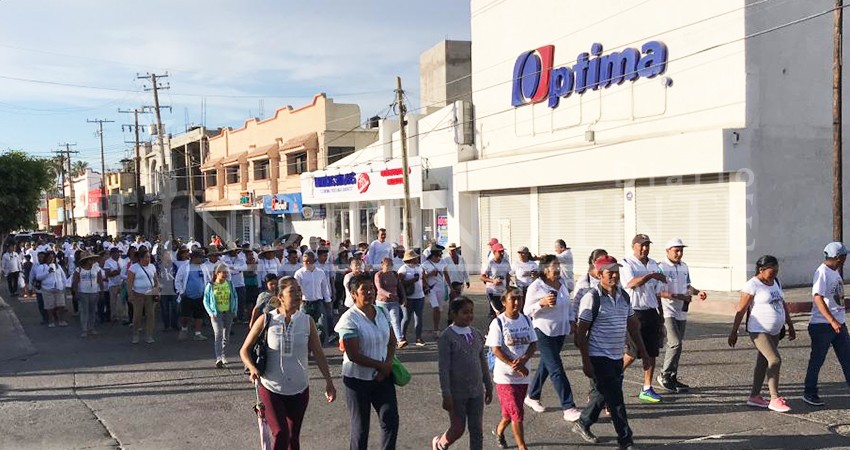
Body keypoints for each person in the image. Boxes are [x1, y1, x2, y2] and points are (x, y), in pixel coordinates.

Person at [240, 276, 337, 450]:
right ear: (280, 297)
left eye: (299, 290)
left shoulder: (307, 322)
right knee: (280, 433)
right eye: (292, 291)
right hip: (270, 387)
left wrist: (329, 382)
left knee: (293, 438)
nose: (298, 294)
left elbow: (319, 354)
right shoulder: (266, 320)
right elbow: (244, 350)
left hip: (299, 389)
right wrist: (253, 368)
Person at [572, 255, 648, 449]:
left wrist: (643, 352)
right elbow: (581, 332)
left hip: (616, 355)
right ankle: (625, 439)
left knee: (601, 394)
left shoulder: (623, 296)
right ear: (600, 274)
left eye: (616, 271)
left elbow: (633, 326)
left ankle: (583, 422)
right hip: (599, 356)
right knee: (616, 400)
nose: (614, 275)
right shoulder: (592, 297)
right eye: (610, 272)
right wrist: (586, 361)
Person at [334, 274, 399, 450]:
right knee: (361, 428)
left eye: (372, 288)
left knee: (390, 420)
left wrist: (387, 364)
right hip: (357, 381)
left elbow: (392, 341)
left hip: (383, 378)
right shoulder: (349, 319)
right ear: (354, 294)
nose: (370, 292)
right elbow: (354, 355)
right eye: (365, 289)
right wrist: (382, 366)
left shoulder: (382, 312)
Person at [728, 255, 795, 413]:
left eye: (777, 270)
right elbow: (741, 310)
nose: (775, 273)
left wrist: (790, 325)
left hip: (774, 330)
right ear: (761, 269)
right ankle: (774, 398)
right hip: (758, 330)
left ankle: (754, 396)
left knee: (763, 362)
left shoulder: (776, 282)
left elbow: (782, 304)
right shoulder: (752, 285)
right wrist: (734, 332)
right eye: (772, 270)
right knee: (775, 360)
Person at [522, 254, 580, 422]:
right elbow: (526, 311)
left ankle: (532, 396)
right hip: (542, 331)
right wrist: (541, 303)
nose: (558, 268)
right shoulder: (536, 286)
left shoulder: (561, 284)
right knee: (556, 369)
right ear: (545, 269)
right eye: (555, 265)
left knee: (546, 365)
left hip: (559, 331)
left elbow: (567, 305)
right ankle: (568, 407)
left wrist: (571, 321)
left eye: (558, 264)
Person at [434, 297, 493, 450]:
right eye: (464, 312)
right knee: (458, 428)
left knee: (476, 429)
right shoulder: (447, 337)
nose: (469, 316)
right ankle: (440, 444)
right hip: (456, 393)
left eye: (471, 312)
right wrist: (446, 394)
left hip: (476, 391)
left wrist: (488, 384)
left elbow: (483, 362)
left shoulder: (476, 334)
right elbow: (444, 368)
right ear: (453, 314)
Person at [487, 286, 536, 450]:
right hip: (505, 377)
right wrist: (513, 364)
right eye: (512, 299)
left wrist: (525, 359)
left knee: (510, 413)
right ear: (503, 302)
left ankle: (499, 430)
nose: (516, 302)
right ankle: (522, 446)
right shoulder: (498, 323)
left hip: (522, 376)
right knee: (517, 413)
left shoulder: (527, 320)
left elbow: (533, 343)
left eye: (519, 298)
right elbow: (496, 349)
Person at [657, 238, 708, 393]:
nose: (679, 253)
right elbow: (659, 291)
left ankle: (673, 376)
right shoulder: (661, 267)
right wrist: (680, 296)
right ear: (667, 251)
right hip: (667, 311)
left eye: (681, 250)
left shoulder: (684, 266)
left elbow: (687, 286)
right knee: (675, 343)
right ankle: (664, 375)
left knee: (678, 346)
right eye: (676, 250)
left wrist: (697, 292)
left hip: (681, 311)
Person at [620, 234, 666, 403]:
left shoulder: (653, 264)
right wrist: (651, 276)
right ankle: (610, 381)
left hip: (650, 312)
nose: (645, 248)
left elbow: (657, 291)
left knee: (652, 352)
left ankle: (647, 388)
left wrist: (660, 312)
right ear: (634, 246)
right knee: (632, 353)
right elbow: (632, 283)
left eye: (647, 245)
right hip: (634, 312)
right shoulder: (626, 263)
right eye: (641, 245)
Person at [804, 242, 850, 406]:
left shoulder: (834, 272)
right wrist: (832, 321)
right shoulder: (822, 272)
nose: (845, 259)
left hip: (839, 324)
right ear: (838, 257)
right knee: (817, 359)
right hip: (822, 325)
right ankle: (809, 392)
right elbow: (817, 297)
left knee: (847, 358)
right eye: (844, 256)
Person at [204, 263, 238, 367]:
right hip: (216, 313)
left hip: (228, 312)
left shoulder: (230, 284)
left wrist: (234, 310)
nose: (225, 275)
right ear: (217, 273)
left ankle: (224, 355)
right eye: (223, 272)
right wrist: (210, 313)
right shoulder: (211, 285)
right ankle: (218, 357)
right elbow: (206, 300)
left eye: (226, 272)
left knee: (226, 335)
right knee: (218, 334)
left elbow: (235, 297)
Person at [293, 252, 332, 344]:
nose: (306, 264)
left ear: (313, 261)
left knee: (321, 325)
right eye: (304, 261)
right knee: (303, 326)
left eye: (308, 261)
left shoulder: (320, 272)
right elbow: (296, 290)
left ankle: (318, 346)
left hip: (318, 302)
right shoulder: (299, 274)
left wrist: (328, 301)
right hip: (305, 303)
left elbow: (324, 287)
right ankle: (306, 346)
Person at [175, 249, 211, 341]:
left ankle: (198, 333)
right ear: (194, 258)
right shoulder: (184, 267)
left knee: (199, 315)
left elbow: (208, 279)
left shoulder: (204, 267)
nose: (202, 260)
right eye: (200, 258)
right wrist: (181, 292)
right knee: (185, 315)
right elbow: (178, 280)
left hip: (200, 296)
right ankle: (184, 328)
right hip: (187, 296)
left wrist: (207, 291)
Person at [127, 249, 159, 344]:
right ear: (141, 258)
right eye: (146, 257)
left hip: (150, 294)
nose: (148, 259)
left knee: (151, 315)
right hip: (138, 294)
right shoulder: (134, 268)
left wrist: (157, 291)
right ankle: (136, 334)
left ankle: (149, 335)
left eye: (149, 257)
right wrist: (130, 295)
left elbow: (156, 280)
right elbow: (129, 283)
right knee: (137, 315)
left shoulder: (152, 267)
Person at [71, 252, 103, 338]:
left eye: (93, 259)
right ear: (86, 260)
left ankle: (91, 328)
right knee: (84, 311)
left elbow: (100, 280)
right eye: (90, 259)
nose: (92, 261)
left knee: (93, 311)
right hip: (83, 292)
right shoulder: (79, 269)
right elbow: (75, 282)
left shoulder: (97, 268)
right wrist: (76, 293)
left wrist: (101, 291)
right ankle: (84, 329)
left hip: (94, 292)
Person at [398, 249, 425, 348]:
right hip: (408, 297)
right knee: (406, 318)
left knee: (419, 318)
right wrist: (412, 280)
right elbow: (400, 283)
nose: (417, 259)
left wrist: (425, 287)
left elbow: (423, 279)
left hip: (420, 296)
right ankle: (402, 336)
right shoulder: (403, 269)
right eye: (415, 257)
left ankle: (418, 337)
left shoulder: (420, 268)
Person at [34, 250, 68, 327]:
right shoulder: (41, 267)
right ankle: (51, 321)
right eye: (49, 257)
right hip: (47, 289)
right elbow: (38, 277)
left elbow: (63, 276)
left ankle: (61, 320)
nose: (51, 259)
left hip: (59, 288)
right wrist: (47, 272)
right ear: (46, 258)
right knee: (49, 307)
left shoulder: (58, 266)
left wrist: (64, 286)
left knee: (61, 305)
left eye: (53, 257)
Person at [423, 245, 450, 338]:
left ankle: (437, 326)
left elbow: (446, 275)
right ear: (435, 253)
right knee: (435, 308)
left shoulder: (443, 262)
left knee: (439, 309)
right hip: (431, 288)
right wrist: (430, 274)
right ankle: (436, 329)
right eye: (439, 252)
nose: (441, 254)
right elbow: (422, 277)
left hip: (440, 287)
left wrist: (451, 287)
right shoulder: (426, 264)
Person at [375, 257, 404, 344]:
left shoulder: (394, 274)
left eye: (391, 265)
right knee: (383, 321)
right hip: (382, 301)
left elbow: (400, 286)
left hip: (394, 301)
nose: (389, 267)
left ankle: (399, 339)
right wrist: (389, 294)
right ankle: (384, 339)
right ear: (382, 265)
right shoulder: (379, 275)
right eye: (387, 265)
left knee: (395, 320)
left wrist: (403, 297)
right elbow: (379, 288)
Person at [481, 243, 512, 317]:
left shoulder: (506, 262)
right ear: (494, 252)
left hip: (503, 291)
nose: (502, 253)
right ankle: (494, 326)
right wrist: (493, 281)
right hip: (493, 291)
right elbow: (482, 277)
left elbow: (508, 275)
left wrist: (507, 287)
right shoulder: (490, 263)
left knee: (503, 311)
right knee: (496, 312)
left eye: (502, 251)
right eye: (499, 252)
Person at [222, 242, 248, 323]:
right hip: (229, 283)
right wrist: (236, 269)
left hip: (240, 283)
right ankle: (231, 318)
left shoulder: (241, 258)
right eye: (232, 251)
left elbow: (245, 267)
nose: (234, 252)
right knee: (230, 302)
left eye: (235, 250)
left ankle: (240, 317)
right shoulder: (224, 259)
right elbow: (226, 269)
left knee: (241, 300)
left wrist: (234, 268)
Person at [158, 248, 180, 332]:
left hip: (173, 289)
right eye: (166, 255)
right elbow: (157, 278)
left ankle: (174, 324)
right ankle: (166, 326)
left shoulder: (174, 266)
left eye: (169, 255)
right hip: (163, 290)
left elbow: (177, 276)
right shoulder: (159, 266)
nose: (168, 256)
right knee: (165, 309)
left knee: (175, 308)